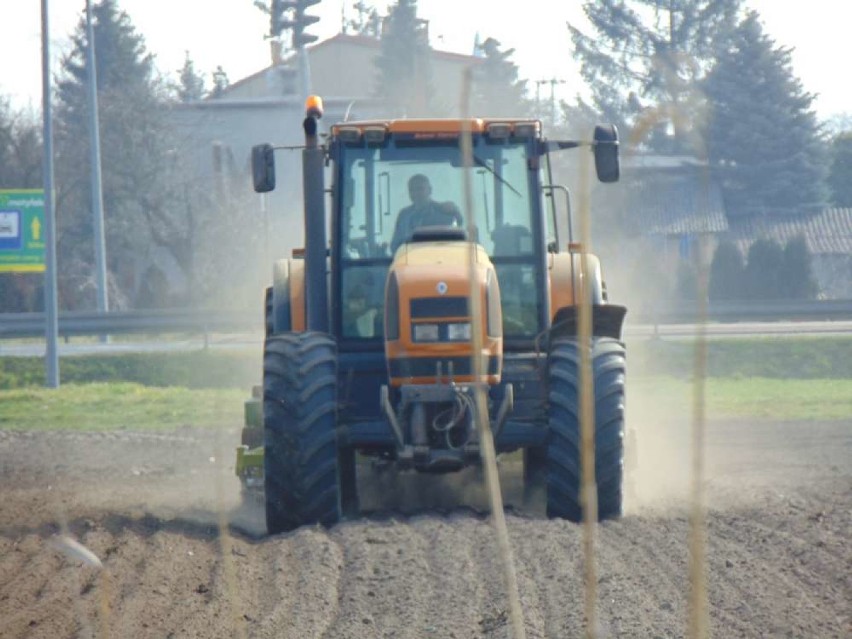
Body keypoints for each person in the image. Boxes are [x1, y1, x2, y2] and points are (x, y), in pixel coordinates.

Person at [390, 174, 463, 252]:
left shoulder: (444, 212)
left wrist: (456, 212)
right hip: (409, 261)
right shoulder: (404, 216)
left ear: (430, 190)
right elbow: (395, 246)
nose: (415, 193)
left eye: (420, 189)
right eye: (411, 190)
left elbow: (456, 239)